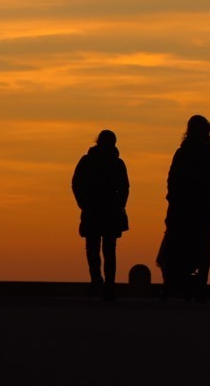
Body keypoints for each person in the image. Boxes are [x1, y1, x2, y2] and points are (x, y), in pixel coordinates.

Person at [161, 114, 210, 302]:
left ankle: (179, 286)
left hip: (191, 209)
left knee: (183, 246)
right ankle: (193, 285)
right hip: (191, 209)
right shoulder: (208, 155)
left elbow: (172, 181)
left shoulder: (187, 154)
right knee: (199, 247)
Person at [71, 129, 130, 301]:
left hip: (107, 211)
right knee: (96, 249)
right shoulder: (88, 161)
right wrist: (83, 203)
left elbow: (125, 188)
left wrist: (119, 204)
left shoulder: (117, 164)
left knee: (105, 249)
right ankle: (98, 281)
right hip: (94, 210)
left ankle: (107, 285)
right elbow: (76, 183)